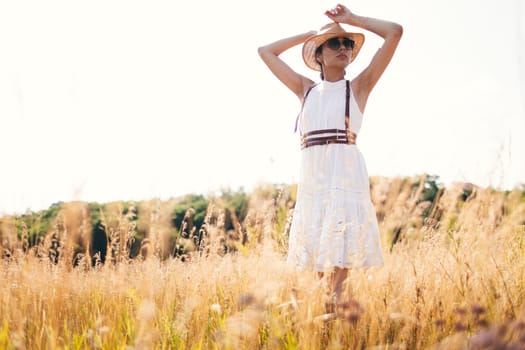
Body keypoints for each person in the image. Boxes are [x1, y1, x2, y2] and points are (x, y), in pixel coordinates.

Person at [258, 4, 402, 306]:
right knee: (319, 273)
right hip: (313, 183)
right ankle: (327, 325)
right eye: (334, 43)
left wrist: (351, 21)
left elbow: (394, 32)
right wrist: (311, 36)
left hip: (345, 177)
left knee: (338, 269)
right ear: (319, 55)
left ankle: (336, 322)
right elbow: (265, 51)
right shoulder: (304, 89)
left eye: (347, 43)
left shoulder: (360, 86)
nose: (343, 47)